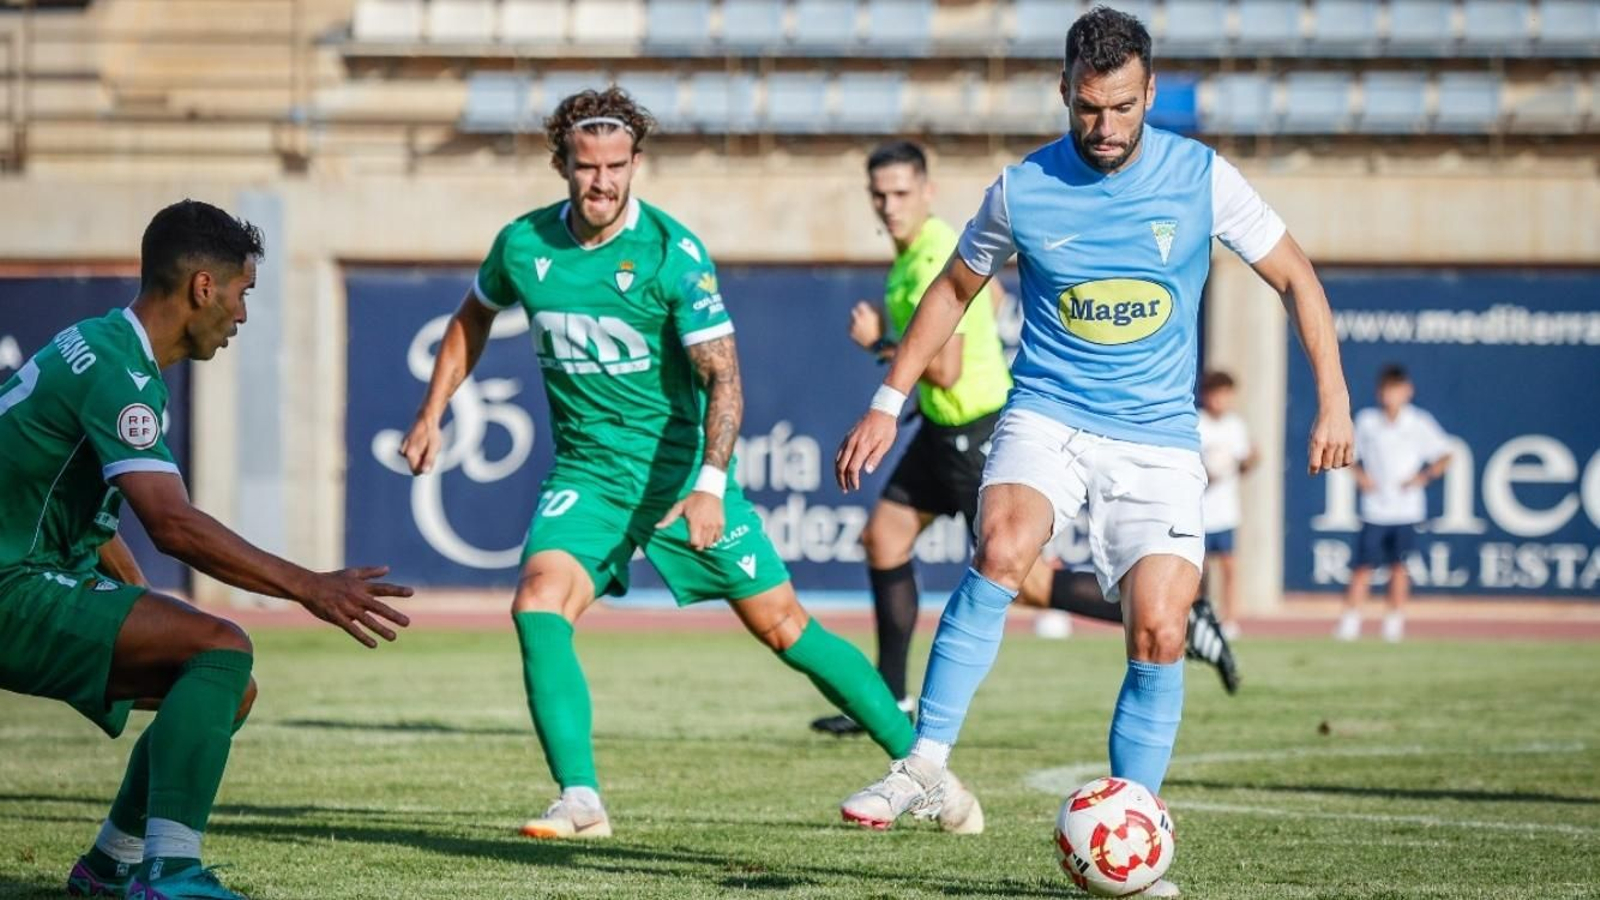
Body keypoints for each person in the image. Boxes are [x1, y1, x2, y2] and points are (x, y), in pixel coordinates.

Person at [832, 8, 1353, 896]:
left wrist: (1332, 399)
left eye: (1121, 108)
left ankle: (1132, 841)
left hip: (1157, 441)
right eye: (1087, 108)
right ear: (1063, 93)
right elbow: (952, 291)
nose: (1104, 129)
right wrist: (888, 401)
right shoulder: (1021, 188)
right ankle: (924, 764)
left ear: (1149, 93)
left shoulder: (1203, 178)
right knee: (1000, 548)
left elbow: (1296, 276)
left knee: (1157, 629)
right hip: (1048, 416)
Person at [399, 88, 982, 841]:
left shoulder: (673, 255)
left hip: (682, 477)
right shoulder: (523, 247)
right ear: (560, 166)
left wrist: (711, 486)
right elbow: (473, 316)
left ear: (636, 162)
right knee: (538, 603)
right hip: (589, 477)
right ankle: (581, 799)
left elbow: (725, 379)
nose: (602, 183)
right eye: (586, 168)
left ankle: (927, 772)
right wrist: (432, 408)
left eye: (616, 166)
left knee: (784, 627)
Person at [0, 200, 412, 900]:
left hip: (28, 573)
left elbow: (94, 529)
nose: (243, 314)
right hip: (14, 587)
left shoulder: (96, 341)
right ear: (203, 289)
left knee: (225, 685)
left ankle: (112, 864)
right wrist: (311, 586)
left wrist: (142, 607)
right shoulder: (121, 374)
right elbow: (174, 526)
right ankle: (171, 873)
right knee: (220, 647)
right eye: (242, 293)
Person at [812, 141, 1242, 738]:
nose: (890, 206)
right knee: (883, 538)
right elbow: (989, 292)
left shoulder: (932, 249)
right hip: (940, 427)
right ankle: (892, 700)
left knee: (1029, 583)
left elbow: (946, 370)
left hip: (972, 424)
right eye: (880, 195)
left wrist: (879, 345)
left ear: (927, 192)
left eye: (902, 193)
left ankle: (1179, 614)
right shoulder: (919, 250)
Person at [1337, 364, 1451, 643]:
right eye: (1387, 391)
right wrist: (1360, 476)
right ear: (1380, 393)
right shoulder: (1366, 422)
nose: (1392, 396)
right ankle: (1351, 620)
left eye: (1397, 390)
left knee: (1399, 566)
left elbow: (1445, 454)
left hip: (1407, 508)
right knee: (1363, 565)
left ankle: (1394, 621)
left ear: (1407, 391)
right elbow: (1348, 453)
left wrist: (1422, 477)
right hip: (1375, 507)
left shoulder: (1419, 422)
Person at [1197, 370, 1256, 638]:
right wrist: (1208, 472)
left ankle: (1229, 619)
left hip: (1226, 510)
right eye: (1216, 394)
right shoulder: (1197, 423)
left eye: (1226, 395)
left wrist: (1247, 461)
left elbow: (1246, 461)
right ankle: (1199, 617)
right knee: (1200, 570)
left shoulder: (1235, 425)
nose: (1221, 400)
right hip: (1200, 511)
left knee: (1230, 567)